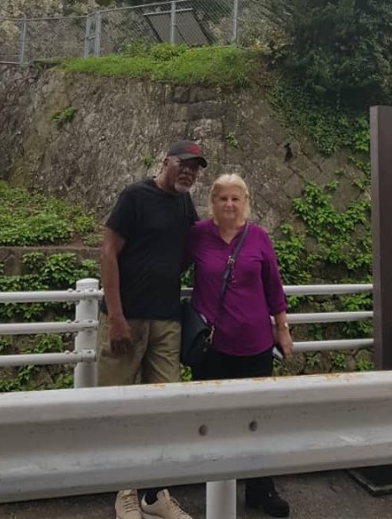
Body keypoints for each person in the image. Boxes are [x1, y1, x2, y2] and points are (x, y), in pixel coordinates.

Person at [97, 141, 207, 519]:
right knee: (120, 406)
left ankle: (155, 493)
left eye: (196, 167)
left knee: (164, 407)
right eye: (184, 163)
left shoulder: (184, 204)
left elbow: (193, 247)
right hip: (125, 319)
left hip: (166, 319)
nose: (190, 171)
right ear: (165, 162)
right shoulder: (135, 197)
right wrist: (115, 316)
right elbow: (108, 252)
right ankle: (125, 491)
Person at [186, 174, 293, 518]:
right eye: (223, 198)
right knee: (212, 419)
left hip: (255, 345)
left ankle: (261, 489)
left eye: (236, 198)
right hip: (212, 347)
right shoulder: (198, 235)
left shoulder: (258, 236)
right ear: (213, 202)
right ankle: (215, 487)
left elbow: (273, 286)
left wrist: (282, 329)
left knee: (256, 418)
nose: (229, 204)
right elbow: (168, 266)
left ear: (245, 201)